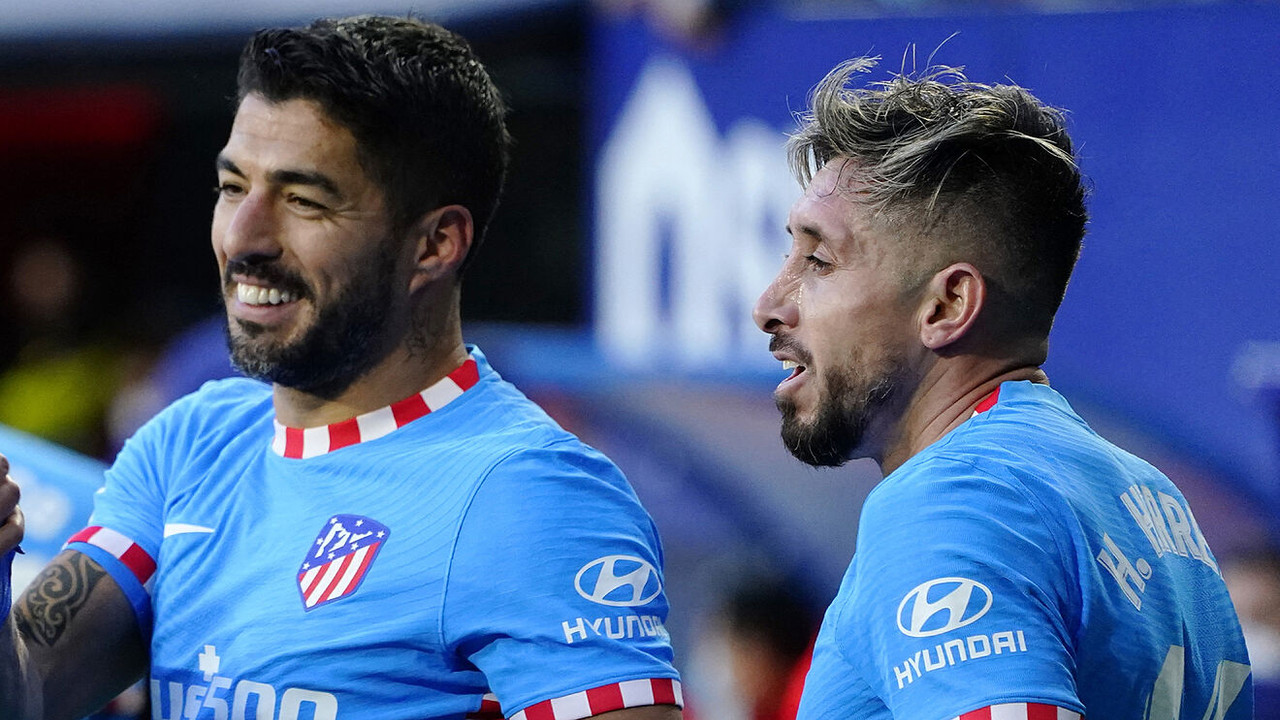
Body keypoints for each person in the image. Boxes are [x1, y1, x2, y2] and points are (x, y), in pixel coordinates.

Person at [0, 16, 682, 720]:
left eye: (302, 201)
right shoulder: (188, 445)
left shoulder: (532, 495)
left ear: (435, 244)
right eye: (234, 187)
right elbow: (25, 698)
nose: (243, 237)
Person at [752, 57, 1252, 719]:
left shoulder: (950, 501)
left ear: (947, 305)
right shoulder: (1151, 500)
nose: (769, 303)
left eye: (818, 260)